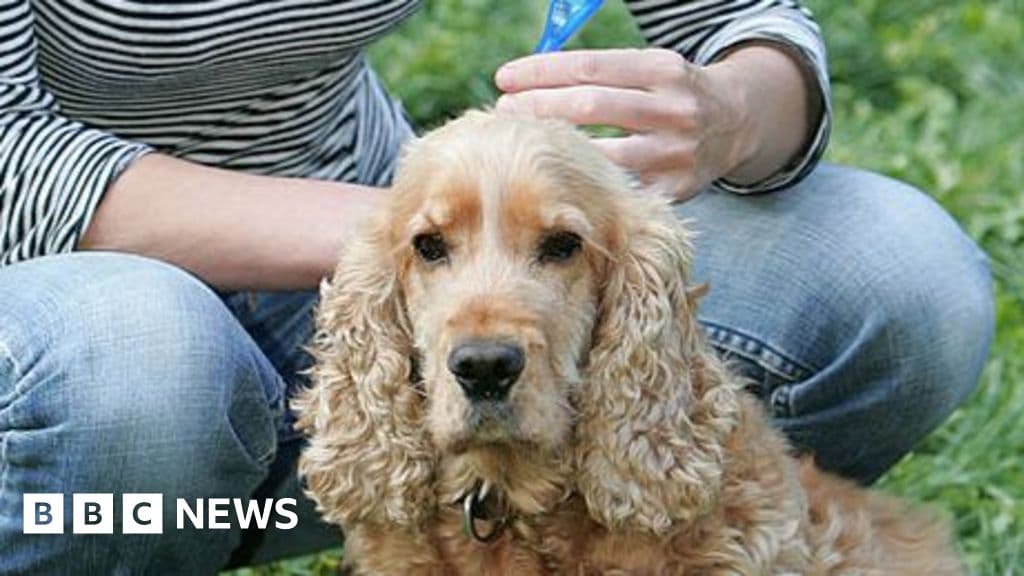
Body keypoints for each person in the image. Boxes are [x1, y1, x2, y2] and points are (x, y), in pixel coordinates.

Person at [0, 1, 993, 573]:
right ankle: (128, 507)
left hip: (394, 257)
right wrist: (394, 236)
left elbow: (738, 21)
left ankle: (606, 518)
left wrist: (729, 107)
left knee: (897, 267)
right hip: (80, 317)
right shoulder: (390, 249)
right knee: (136, 365)